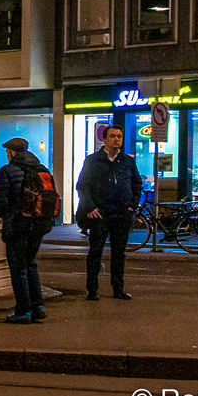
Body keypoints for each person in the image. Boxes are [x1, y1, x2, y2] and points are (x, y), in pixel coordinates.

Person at [75, 123, 141, 300]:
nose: (116, 140)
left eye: (119, 136)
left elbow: (136, 184)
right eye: (112, 136)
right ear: (103, 139)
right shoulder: (93, 160)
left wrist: (132, 205)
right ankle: (92, 289)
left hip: (121, 213)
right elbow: (82, 185)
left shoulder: (127, 161)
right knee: (95, 252)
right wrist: (89, 206)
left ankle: (118, 289)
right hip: (100, 214)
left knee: (119, 253)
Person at [0, 137, 50, 323]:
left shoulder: (6, 171)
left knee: (18, 268)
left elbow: (1, 203)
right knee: (30, 264)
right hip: (39, 225)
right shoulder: (42, 169)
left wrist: (6, 215)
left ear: (11, 152)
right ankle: (37, 306)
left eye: (7, 151)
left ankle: (23, 311)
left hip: (17, 225)